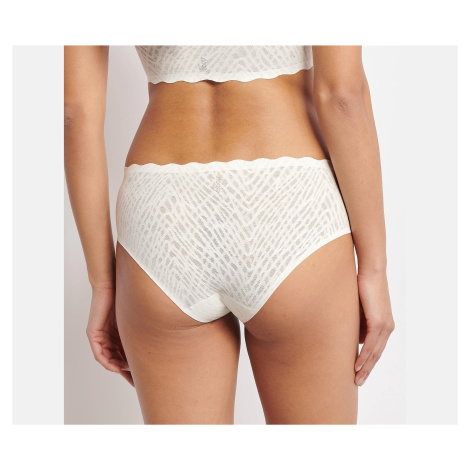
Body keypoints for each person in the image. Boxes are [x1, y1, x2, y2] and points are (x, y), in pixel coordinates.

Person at [64, 45, 395, 425]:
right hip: (288, 206)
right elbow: (342, 95)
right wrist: (373, 269)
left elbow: (74, 113)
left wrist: (103, 283)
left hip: (163, 217)